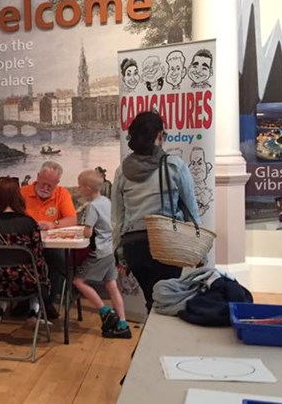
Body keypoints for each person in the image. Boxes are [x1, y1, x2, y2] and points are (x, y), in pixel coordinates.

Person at [111, 111, 200, 312]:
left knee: (152, 299)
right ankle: (161, 341)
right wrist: (197, 246)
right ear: (159, 135)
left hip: (134, 247)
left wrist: (118, 251)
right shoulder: (174, 166)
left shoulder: (122, 171)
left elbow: (117, 218)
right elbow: (192, 211)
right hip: (166, 243)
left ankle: (149, 338)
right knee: (167, 301)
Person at [0, 177, 51, 324]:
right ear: (18, 197)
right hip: (26, 283)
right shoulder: (29, 223)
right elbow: (37, 256)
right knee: (41, 268)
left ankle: (1, 306)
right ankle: (34, 308)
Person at [74, 170, 130, 339]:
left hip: (99, 252)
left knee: (78, 281)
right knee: (111, 285)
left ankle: (105, 311)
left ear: (88, 188)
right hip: (110, 250)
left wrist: (82, 230)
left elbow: (88, 233)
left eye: (80, 186)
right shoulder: (106, 201)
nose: (78, 189)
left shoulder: (92, 206)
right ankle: (122, 323)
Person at [20, 161, 77, 318]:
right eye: (43, 184)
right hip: (26, 244)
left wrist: (53, 224)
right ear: (37, 177)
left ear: (57, 183)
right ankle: (23, 300)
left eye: (50, 186)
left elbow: (72, 220)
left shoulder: (62, 194)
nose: (45, 188)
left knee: (59, 261)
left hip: (51, 244)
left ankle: (47, 301)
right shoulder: (22, 193)